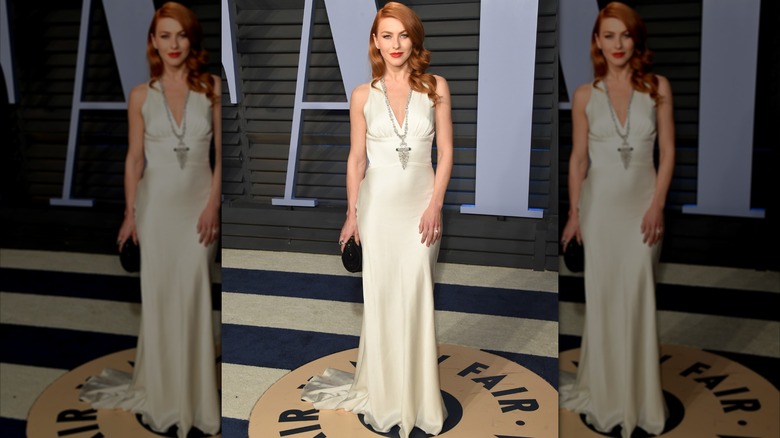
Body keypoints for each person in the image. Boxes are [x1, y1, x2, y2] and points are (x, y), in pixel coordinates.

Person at [300, 2, 454, 436]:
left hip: (423, 210)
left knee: (419, 292)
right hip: (378, 209)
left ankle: (420, 397)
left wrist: (435, 204)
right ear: (375, 42)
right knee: (383, 298)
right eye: (386, 36)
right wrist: (351, 216)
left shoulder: (437, 87)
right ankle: (385, 394)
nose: (395, 44)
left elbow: (446, 152)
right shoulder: (363, 95)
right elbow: (356, 160)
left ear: (414, 39)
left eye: (403, 35)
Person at [78, 3, 222, 437]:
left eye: (180, 35)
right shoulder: (141, 95)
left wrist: (214, 204)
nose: (173, 44)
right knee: (159, 298)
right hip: (155, 208)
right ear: (153, 42)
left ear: (191, 39)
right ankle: (161, 393)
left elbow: (222, 158)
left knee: (195, 291)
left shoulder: (213, 87)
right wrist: (129, 215)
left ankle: (196, 397)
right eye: (164, 36)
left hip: (199, 211)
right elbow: (134, 159)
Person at [559, 2, 675, 437]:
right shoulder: (586, 96)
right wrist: (574, 215)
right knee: (604, 300)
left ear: (635, 39)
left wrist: (658, 204)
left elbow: (668, 152)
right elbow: (577, 161)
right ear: (597, 42)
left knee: (640, 294)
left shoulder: (658, 88)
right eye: (608, 36)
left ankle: (641, 397)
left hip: (644, 212)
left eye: (624, 35)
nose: (617, 44)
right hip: (600, 211)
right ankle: (606, 391)